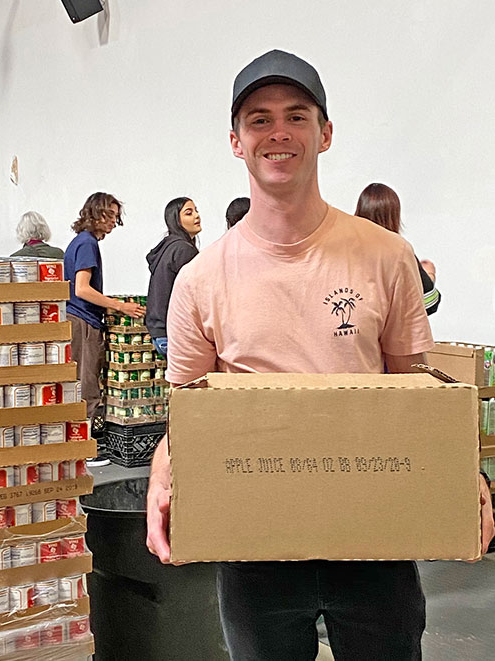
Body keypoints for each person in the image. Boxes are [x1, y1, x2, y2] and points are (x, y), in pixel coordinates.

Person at [145, 49, 495, 660]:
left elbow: (415, 393)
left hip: (373, 536)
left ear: (325, 132)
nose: (277, 132)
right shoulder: (201, 279)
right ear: (235, 141)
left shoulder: (385, 258)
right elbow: (190, 414)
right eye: (258, 119)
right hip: (255, 543)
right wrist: (161, 466)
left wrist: (464, 468)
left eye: (296, 116)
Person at [64, 192, 145, 466]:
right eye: (109, 216)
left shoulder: (80, 242)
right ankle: (87, 449)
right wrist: (119, 306)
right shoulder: (87, 244)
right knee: (87, 383)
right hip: (83, 320)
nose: (113, 222)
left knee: (80, 381)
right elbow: (83, 289)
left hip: (76, 318)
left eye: (115, 217)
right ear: (94, 214)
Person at [355, 183, 441, 315]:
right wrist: (430, 274)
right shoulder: (399, 252)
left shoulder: (348, 251)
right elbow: (429, 303)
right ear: (394, 215)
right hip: (391, 334)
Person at [145, 198, 201, 356]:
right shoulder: (184, 250)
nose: (197, 216)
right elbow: (193, 295)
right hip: (175, 334)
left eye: (196, 211)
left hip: (159, 332)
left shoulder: (168, 247)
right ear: (176, 220)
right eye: (189, 213)